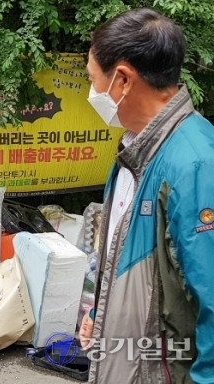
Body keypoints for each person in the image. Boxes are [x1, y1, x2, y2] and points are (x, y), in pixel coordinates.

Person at [79, 8, 214, 384]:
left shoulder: (196, 164)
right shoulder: (133, 154)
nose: (93, 92)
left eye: (94, 80)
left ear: (122, 79)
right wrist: (101, 314)